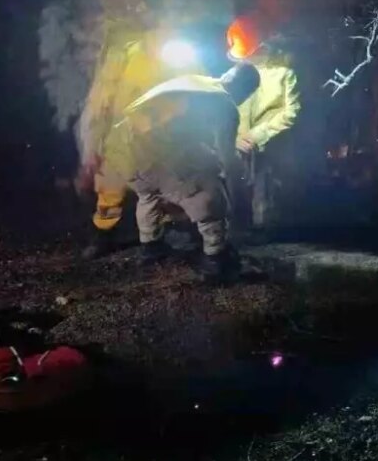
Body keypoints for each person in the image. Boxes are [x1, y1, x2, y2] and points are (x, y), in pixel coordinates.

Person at [88, 63, 260, 280]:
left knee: (149, 194)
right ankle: (215, 257)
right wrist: (236, 191)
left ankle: (151, 246)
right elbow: (226, 157)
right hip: (153, 150)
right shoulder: (225, 103)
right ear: (245, 91)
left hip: (120, 148)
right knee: (207, 192)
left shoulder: (193, 80)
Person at [78, 13, 202, 257]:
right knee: (110, 187)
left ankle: (164, 234)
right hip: (122, 135)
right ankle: (103, 234)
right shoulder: (125, 55)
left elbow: (199, 88)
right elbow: (101, 100)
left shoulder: (182, 56)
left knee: (169, 185)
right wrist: (92, 142)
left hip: (164, 136)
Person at [227, 17, 301, 232]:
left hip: (269, 145)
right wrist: (235, 137)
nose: (246, 59)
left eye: (249, 55)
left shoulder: (285, 73)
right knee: (237, 189)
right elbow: (228, 105)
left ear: (263, 47)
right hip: (239, 144)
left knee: (265, 189)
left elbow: (292, 112)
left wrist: (257, 135)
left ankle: (264, 230)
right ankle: (239, 228)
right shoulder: (239, 72)